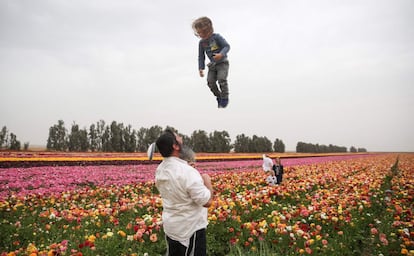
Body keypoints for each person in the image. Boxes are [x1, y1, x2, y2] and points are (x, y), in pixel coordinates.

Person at [155, 129, 214, 256]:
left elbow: (178, 182)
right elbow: (207, 202)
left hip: (172, 227)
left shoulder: (160, 169)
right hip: (190, 229)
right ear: (175, 146)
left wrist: (189, 169)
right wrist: (207, 181)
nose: (182, 138)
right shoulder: (188, 172)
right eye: (179, 138)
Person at [192, 16, 231, 108]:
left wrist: (221, 54)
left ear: (209, 29)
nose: (201, 35)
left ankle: (225, 97)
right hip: (212, 65)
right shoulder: (201, 43)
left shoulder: (217, 37)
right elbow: (201, 56)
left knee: (222, 79)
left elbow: (227, 46)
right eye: (199, 33)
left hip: (222, 63)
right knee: (210, 82)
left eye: (203, 32)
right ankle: (219, 97)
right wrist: (201, 68)